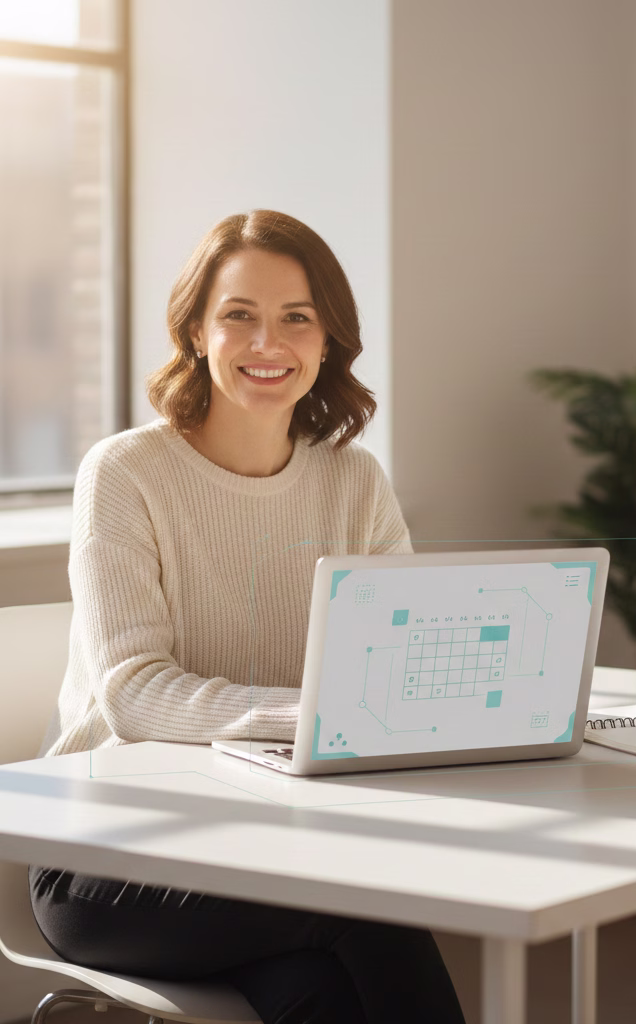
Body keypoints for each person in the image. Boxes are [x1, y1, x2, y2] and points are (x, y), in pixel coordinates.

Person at [28, 210, 467, 1024]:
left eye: (296, 318)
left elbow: (400, 658)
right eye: (240, 315)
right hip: (110, 857)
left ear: (328, 338)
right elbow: (131, 692)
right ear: (197, 331)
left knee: (326, 997)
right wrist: (307, 714)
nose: (270, 343)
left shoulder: (354, 481)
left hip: (272, 843)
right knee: (365, 911)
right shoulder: (126, 473)